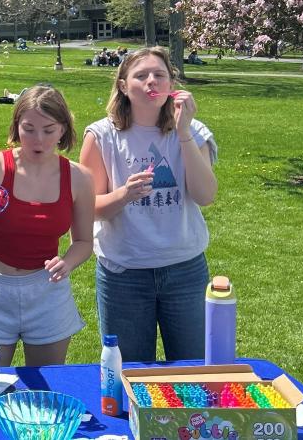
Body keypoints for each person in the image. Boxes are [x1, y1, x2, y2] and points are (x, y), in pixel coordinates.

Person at [79, 46, 218, 362]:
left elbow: (205, 195)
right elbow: (87, 209)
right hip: (123, 273)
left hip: (185, 269)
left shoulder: (194, 131)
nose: (151, 81)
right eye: (140, 76)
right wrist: (124, 195)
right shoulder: (102, 136)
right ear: (123, 86)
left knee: (193, 369)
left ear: (172, 84)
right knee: (129, 371)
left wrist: (183, 133)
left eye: (159, 75)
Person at [0, 85, 95, 367]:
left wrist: (67, 262)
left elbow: (83, 242)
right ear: (16, 126)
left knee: (46, 385)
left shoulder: (79, 178)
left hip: (47, 291)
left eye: (48, 130)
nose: (38, 140)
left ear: (63, 129)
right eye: (28, 129)